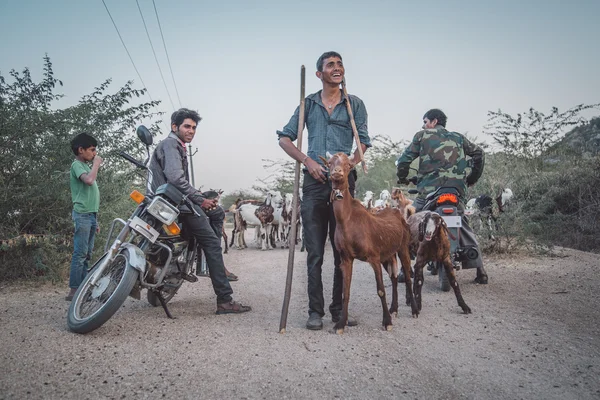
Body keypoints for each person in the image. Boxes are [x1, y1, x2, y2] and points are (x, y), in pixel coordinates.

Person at [278, 51, 371, 330]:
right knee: (316, 251)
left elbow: (363, 140)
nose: (337, 68)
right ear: (319, 74)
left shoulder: (354, 104)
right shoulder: (307, 104)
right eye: (331, 65)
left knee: (344, 250)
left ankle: (337, 310)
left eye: (340, 64)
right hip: (314, 183)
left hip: (343, 186)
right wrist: (307, 161)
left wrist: (350, 164)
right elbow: (284, 139)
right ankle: (315, 311)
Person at [147, 108, 250, 314]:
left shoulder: (176, 146)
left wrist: (201, 198)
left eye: (194, 127)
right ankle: (224, 299)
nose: (191, 130)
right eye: (187, 126)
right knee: (212, 242)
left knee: (218, 212)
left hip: (174, 203)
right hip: (174, 206)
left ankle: (205, 259)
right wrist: (199, 199)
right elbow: (176, 178)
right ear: (174, 127)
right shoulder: (170, 144)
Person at [395, 108, 488, 284]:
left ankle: (404, 269)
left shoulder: (422, 136)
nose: (423, 125)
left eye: (425, 122)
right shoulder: (458, 137)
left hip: (429, 193)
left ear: (434, 121)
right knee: (463, 222)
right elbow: (479, 154)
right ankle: (481, 271)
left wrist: (402, 178)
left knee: (411, 224)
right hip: (456, 191)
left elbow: (404, 161)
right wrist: (471, 178)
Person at [67, 133, 103, 301]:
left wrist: (96, 220)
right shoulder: (77, 165)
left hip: (90, 215)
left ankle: (82, 287)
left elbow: (91, 194)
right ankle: (74, 290)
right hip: (82, 215)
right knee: (80, 253)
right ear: (81, 150)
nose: (95, 154)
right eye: (92, 150)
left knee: (87, 253)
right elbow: (88, 181)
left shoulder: (86, 166)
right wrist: (96, 164)